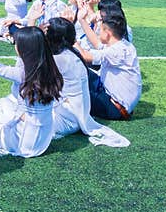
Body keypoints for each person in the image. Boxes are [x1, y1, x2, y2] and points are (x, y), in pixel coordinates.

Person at [0, 25, 63, 158]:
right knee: (4, 104)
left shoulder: (22, 74)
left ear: (24, 49)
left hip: (22, 142)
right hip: (43, 139)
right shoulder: (50, 68)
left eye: (16, 43)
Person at [45, 18, 130, 147]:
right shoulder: (71, 53)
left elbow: (27, 62)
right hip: (76, 113)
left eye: (46, 32)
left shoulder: (60, 59)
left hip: (68, 118)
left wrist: (32, 22)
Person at [74, 9, 142, 121]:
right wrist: (82, 20)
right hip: (110, 97)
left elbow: (85, 56)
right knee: (80, 70)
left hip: (114, 108)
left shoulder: (117, 51)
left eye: (100, 30)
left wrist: (70, 36)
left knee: (73, 91)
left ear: (107, 33)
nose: (98, 32)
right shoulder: (122, 44)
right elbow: (97, 43)